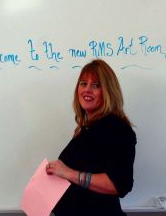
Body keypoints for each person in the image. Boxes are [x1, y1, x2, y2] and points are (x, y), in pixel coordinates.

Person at [46, 59, 137, 216]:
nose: (87, 90)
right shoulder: (88, 129)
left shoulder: (117, 129)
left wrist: (68, 173)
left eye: (95, 85)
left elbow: (119, 184)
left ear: (108, 91)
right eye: (83, 83)